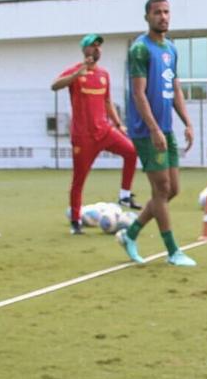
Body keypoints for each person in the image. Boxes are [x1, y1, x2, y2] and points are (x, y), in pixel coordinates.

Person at [118, 0, 196, 268]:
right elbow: (139, 94)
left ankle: (130, 233)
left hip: (167, 128)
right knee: (161, 189)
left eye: (166, 12)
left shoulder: (171, 49)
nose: (163, 17)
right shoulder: (140, 49)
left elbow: (174, 87)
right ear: (147, 17)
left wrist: (186, 121)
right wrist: (152, 129)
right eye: (157, 13)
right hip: (146, 130)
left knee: (172, 189)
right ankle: (173, 251)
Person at [51, 34, 140, 234]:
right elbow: (54, 85)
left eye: (99, 46)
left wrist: (118, 124)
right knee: (79, 179)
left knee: (131, 151)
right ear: (84, 50)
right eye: (93, 46)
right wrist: (76, 75)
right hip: (83, 137)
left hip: (105, 131)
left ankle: (124, 194)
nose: (97, 49)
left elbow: (107, 102)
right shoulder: (75, 71)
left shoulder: (104, 74)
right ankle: (75, 221)